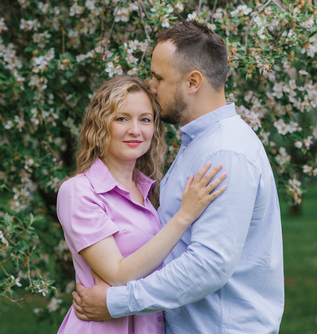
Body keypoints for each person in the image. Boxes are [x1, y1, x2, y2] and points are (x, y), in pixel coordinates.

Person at [72, 21, 285, 333]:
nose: (152, 86)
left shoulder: (224, 153)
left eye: (159, 77)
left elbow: (208, 266)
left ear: (193, 82)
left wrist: (117, 301)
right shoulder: (200, 144)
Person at [56, 75, 227, 333]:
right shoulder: (79, 191)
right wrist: (185, 215)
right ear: (100, 124)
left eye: (145, 119)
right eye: (122, 118)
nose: (135, 130)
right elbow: (118, 274)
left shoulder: (147, 191)